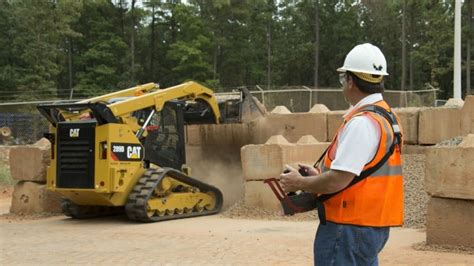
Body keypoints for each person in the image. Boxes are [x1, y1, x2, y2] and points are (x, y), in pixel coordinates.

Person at [280, 43, 404, 266]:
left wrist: (300, 182)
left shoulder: (362, 123)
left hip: (348, 228)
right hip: (368, 225)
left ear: (350, 80)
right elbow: (361, 172)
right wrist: (317, 174)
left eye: (343, 79)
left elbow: (338, 180)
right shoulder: (386, 117)